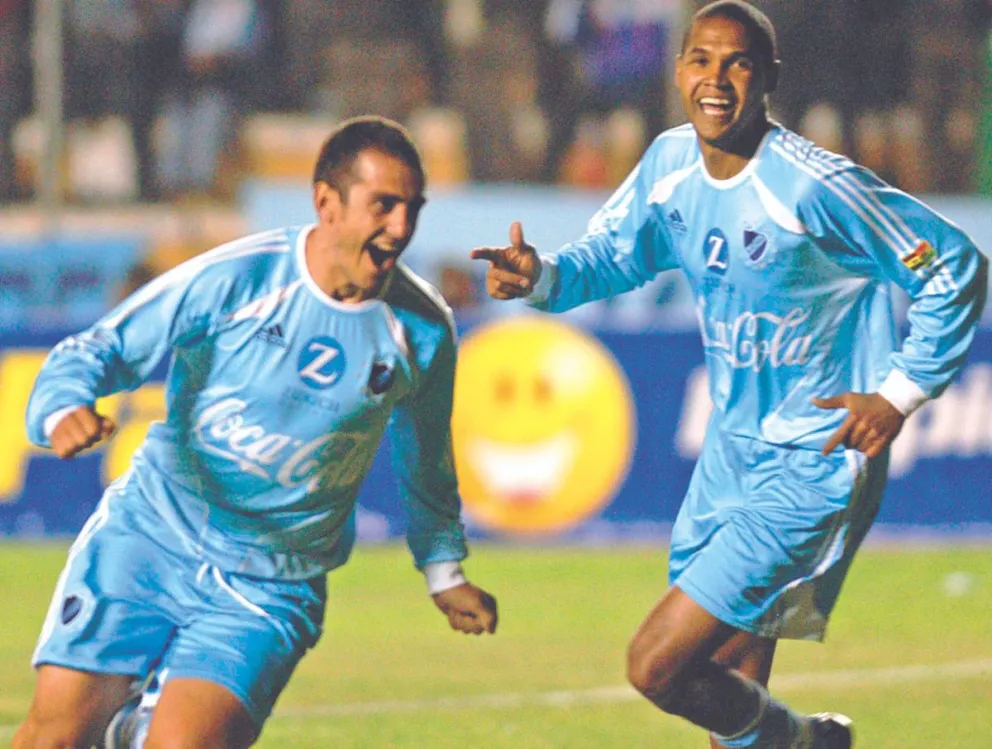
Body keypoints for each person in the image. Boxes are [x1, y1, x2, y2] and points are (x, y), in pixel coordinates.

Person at [471, 2, 988, 748]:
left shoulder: (812, 186)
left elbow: (953, 266)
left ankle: (805, 741)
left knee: (656, 664)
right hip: (730, 456)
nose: (716, 79)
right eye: (701, 59)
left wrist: (900, 393)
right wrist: (544, 276)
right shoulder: (670, 163)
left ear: (771, 77)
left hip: (813, 456)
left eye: (738, 62)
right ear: (679, 69)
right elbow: (617, 254)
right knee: (726, 681)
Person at [15, 115, 498, 749]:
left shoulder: (422, 329)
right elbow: (99, 347)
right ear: (326, 202)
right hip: (151, 537)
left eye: (413, 209)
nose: (401, 229)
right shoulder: (238, 278)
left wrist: (443, 571)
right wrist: (60, 409)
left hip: (271, 583)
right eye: (384, 205)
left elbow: (425, 459)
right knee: (54, 735)